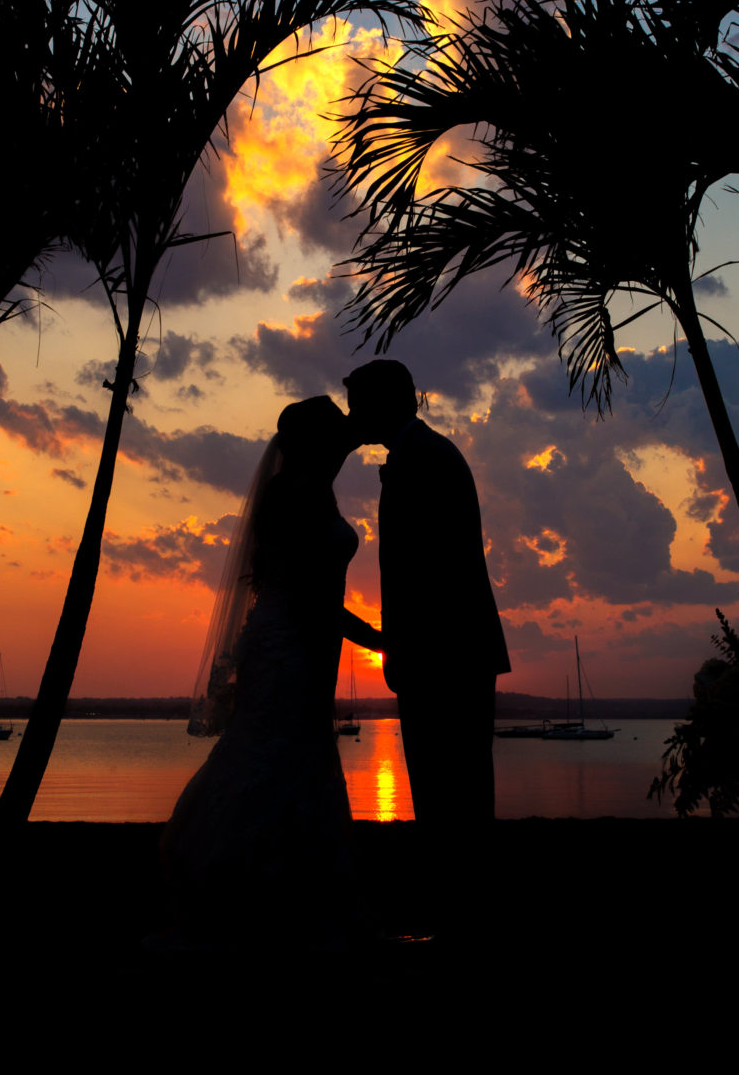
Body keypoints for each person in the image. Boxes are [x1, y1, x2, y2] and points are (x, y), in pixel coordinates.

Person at [159, 396, 381, 949]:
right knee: (274, 750)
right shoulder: (296, 494)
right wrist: (376, 636)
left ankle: (289, 896)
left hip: (305, 639)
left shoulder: (310, 484)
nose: (345, 443)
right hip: (291, 641)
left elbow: (349, 439)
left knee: (291, 752)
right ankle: (243, 891)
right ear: (315, 443)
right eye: (334, 436)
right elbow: (307, 592)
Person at [344, 359, 511, 828]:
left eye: (359, 408)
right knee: (457, 788)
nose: (354, 419)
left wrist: (398, 646)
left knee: (449, 789)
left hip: (442, 653)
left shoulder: (420, 459)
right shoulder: (426, 452)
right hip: (452, 649)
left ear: (384, 404)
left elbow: (421, 571)